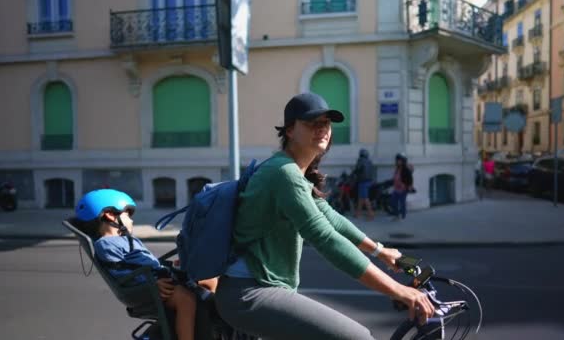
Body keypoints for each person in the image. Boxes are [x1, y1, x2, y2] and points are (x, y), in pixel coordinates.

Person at [214, 92, 434, 340]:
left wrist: (380, 251)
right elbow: (324, 237)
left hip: (265, 287)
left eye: (326, 123)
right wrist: (397, 290)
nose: (322, 129)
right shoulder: (283, 174)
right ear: (289, 130)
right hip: (249, 292)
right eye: (312, 123)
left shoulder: (294, 172)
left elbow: (331, 217)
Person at [72, 189, 217, 340]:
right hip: (150, 288)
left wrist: (170, 266)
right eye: (127, 214)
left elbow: (144, 262)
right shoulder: (106, 244)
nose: (131, 220)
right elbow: (123, 273)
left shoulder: (124, 239)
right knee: (186, 300)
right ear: (109, 215)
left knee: (211, 281)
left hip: (159, 278)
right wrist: (152, 283)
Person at [390, 153, 414, 221]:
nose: (398, 161)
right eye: (397, 160)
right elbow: (395, 177)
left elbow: (410, 178)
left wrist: (408, 186)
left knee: (402, 202)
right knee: (393, 201)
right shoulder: (397, 168)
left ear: (403, 161)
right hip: (396, 188)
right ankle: (397, 215)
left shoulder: (406, 169)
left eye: (400, 160)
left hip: (403, 188)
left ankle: (402, 215)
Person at [354, 148, 375, 220]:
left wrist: (353, 174)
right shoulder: (369, 161)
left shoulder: (360, 161)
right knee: (361, 198)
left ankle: (371, 214)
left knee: (365, 198)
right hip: (369, 182)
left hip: (363, 182)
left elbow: (357, 169)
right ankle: (358, 213)